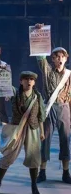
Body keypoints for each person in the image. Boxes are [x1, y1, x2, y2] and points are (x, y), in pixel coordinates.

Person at [0, 71, 45, 194]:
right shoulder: (15, 93)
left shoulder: (37, 96)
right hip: (17, 127)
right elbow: (6, 87)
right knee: (8, 155)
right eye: (26, 79)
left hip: (32, 128)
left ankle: (34, 186)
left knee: (33, 157)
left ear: (34, 82)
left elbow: (40, 116)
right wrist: (0, 74)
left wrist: (41, 132)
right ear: (21, 81)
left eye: (31, 79)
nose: (29, 81)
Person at [34, 24, 71, 184]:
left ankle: (65, 172)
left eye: (62, 56)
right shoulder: (48, 70)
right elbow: (40, 57)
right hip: (49, 109)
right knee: (45, 139)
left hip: (64, 108)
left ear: (66, 58)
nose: (59, 58)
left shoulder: (69, 75)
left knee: (65, 140)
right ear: (53, 59)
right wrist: (39, 32)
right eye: (56, 56)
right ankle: (42, 172)